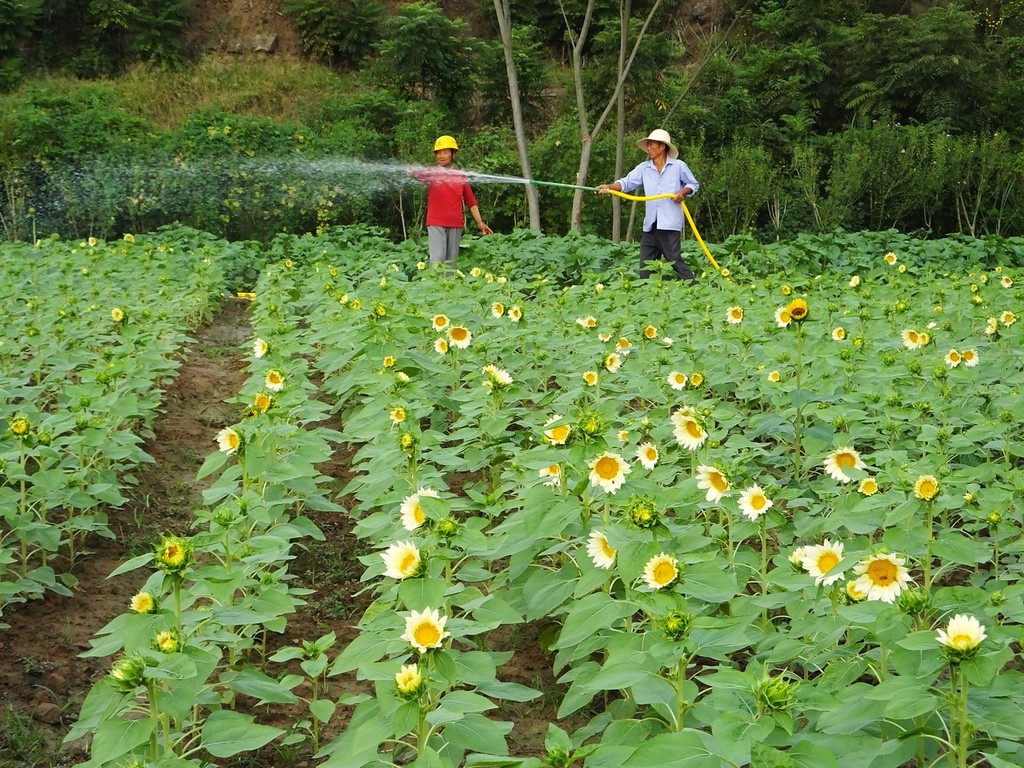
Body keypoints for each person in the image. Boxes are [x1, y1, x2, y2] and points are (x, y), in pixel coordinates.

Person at [597, 128, 699, 283]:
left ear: (662, 147)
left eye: (652, 145)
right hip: (651, 225)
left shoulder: (678, 166)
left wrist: (682, 192)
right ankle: (648, 296)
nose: (649, 149)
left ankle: (694, 287)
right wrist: (609, 187)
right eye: (648, 145)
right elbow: (626, 183)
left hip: (669, 225)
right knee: (645, 269)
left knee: (675, 262)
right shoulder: (644, 168)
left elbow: (693, 184)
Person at [410, 135, 493, 268]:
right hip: (436, 222)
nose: (441, 156)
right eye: (438, 152)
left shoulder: (460, 175)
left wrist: (480, 223)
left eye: (445, 152)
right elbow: (419, 175)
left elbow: (471, 201)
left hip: (455, 223)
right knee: (437, 259)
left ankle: (448, 288)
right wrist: (412, 173)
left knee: (451, 263)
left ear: (453, 154)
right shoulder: (432, 172)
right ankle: (432, 287)